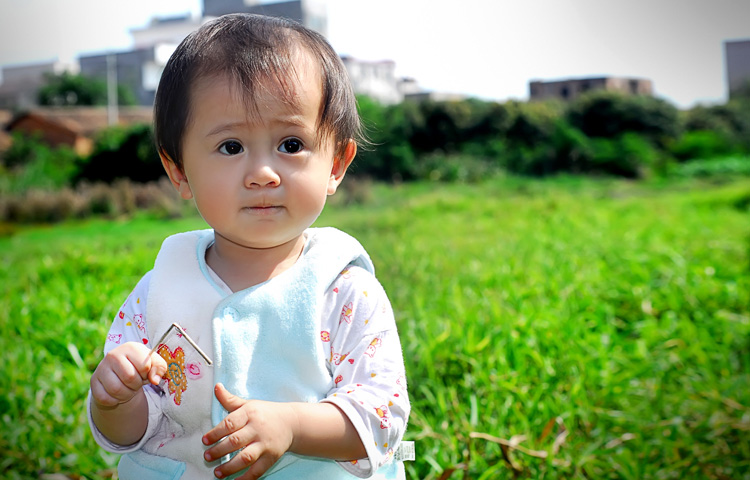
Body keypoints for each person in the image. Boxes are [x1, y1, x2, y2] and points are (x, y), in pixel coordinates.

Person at [87, 13, 410, 480]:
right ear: (179, 171)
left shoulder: (344, 291)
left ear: (337, 164)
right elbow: (134, 434)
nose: (263, 173)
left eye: (291, 144)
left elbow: (381, 418)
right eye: (231, 147)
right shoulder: (159, 295)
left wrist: (292, 426)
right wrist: (116, 400)